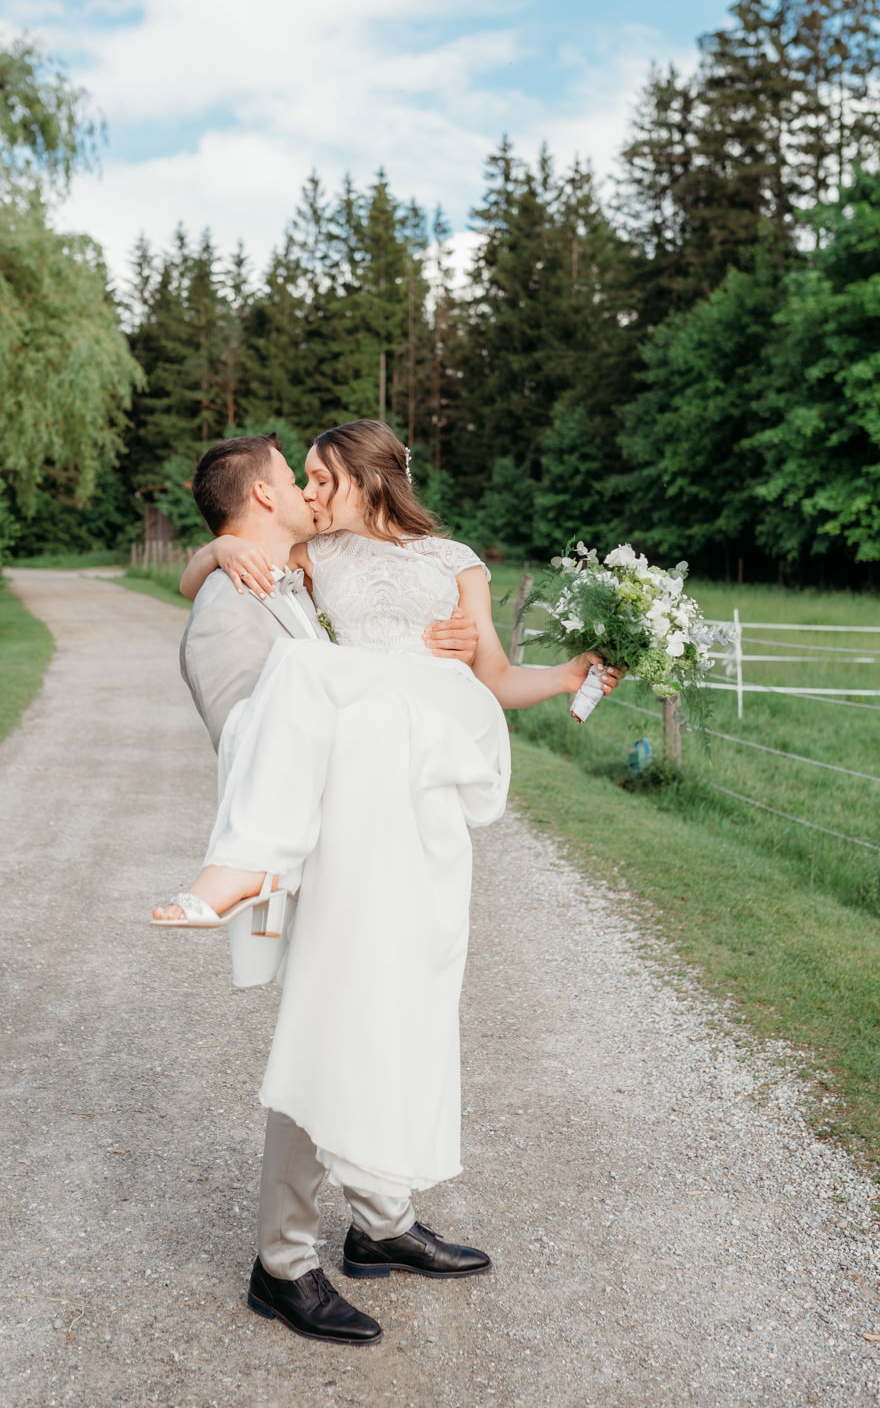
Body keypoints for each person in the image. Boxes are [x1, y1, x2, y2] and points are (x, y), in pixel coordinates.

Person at [158, 423, 618, 1347]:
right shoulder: (309, 553)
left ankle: (382, 1224)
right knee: (330, 1013)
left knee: (409, 1008)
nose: (310, 490)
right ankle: (283, 1260)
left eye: (321, 476)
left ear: (368, 478)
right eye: (301, 479)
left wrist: (570, 672)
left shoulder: (454, 561)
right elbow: (219, 562)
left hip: (424, 816)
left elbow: (490, 676)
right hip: (350, 810)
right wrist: (212, 545)